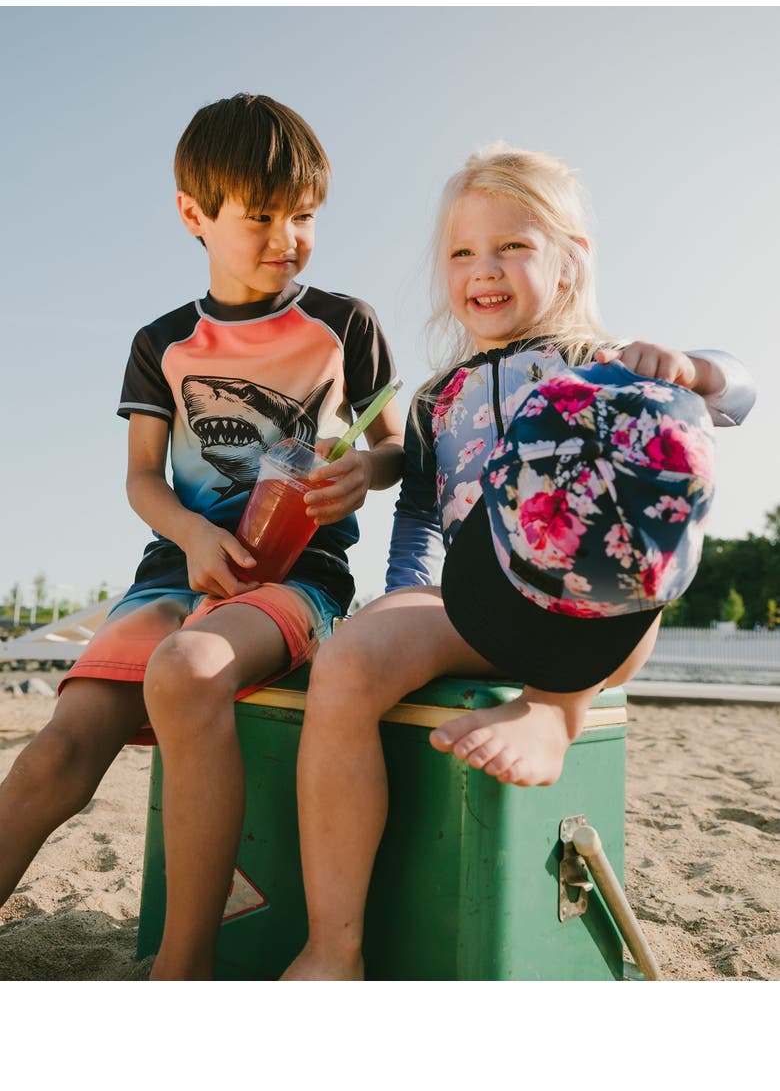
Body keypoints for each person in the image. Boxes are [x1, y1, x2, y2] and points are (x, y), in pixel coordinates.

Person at [282, 143, 756, 981]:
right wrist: (404, 599)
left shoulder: (602, 369)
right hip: (472, 605)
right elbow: (422, 511)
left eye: (513, 246)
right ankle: (333, 946)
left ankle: (554, 715)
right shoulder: (436, 400)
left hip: (591, 618)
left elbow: (740, 394)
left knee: (619, 567)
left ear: (572, 261)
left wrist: (692, 369)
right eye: (463, 252)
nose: (483, 269)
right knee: (349, 660)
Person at [0, 93, 404, 980]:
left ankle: (179, 973)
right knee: (63, 744)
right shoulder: (163, 342)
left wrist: (362, 475)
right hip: (173, 572)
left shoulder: (346, 324)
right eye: (259, 215)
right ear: (195, 214)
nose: (285, 236)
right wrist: (188, 534)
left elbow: (393, 445)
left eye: (303, 216)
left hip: (298, 583)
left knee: (184, 672)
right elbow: (143, 477)